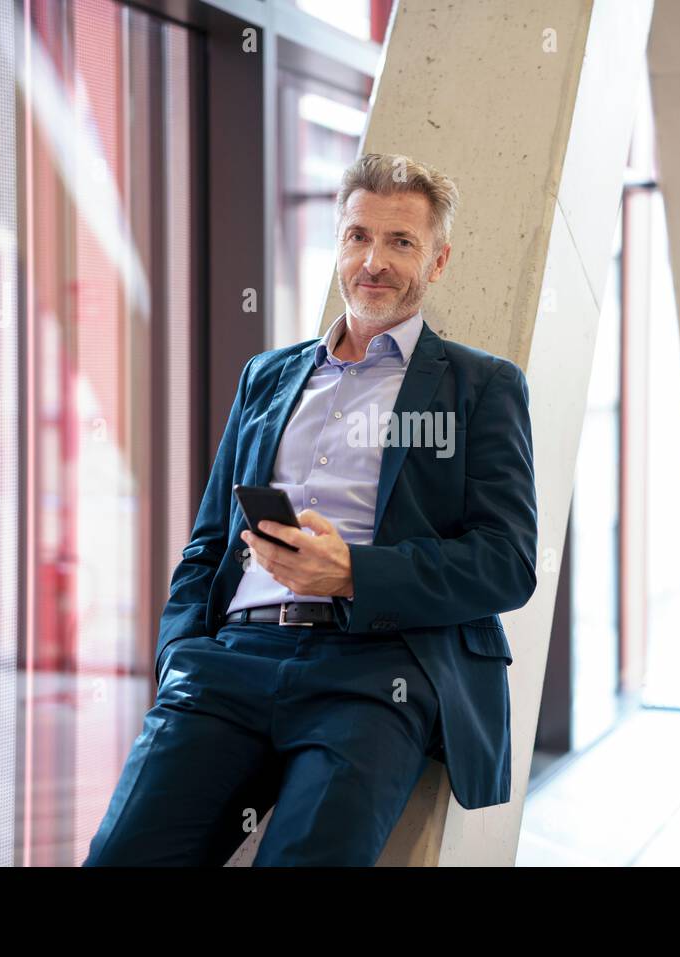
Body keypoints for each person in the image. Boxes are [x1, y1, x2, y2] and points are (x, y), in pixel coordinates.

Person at [83, 152, 537, 867]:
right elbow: (207, 545)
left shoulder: (482, 387)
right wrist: (180, 655)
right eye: (358, 236)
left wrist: (354, 572)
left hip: (374, 673)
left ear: (439, 261)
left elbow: (508, 562)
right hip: (231, 663)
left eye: (401, 242)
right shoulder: (268, 376)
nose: (374, 261)